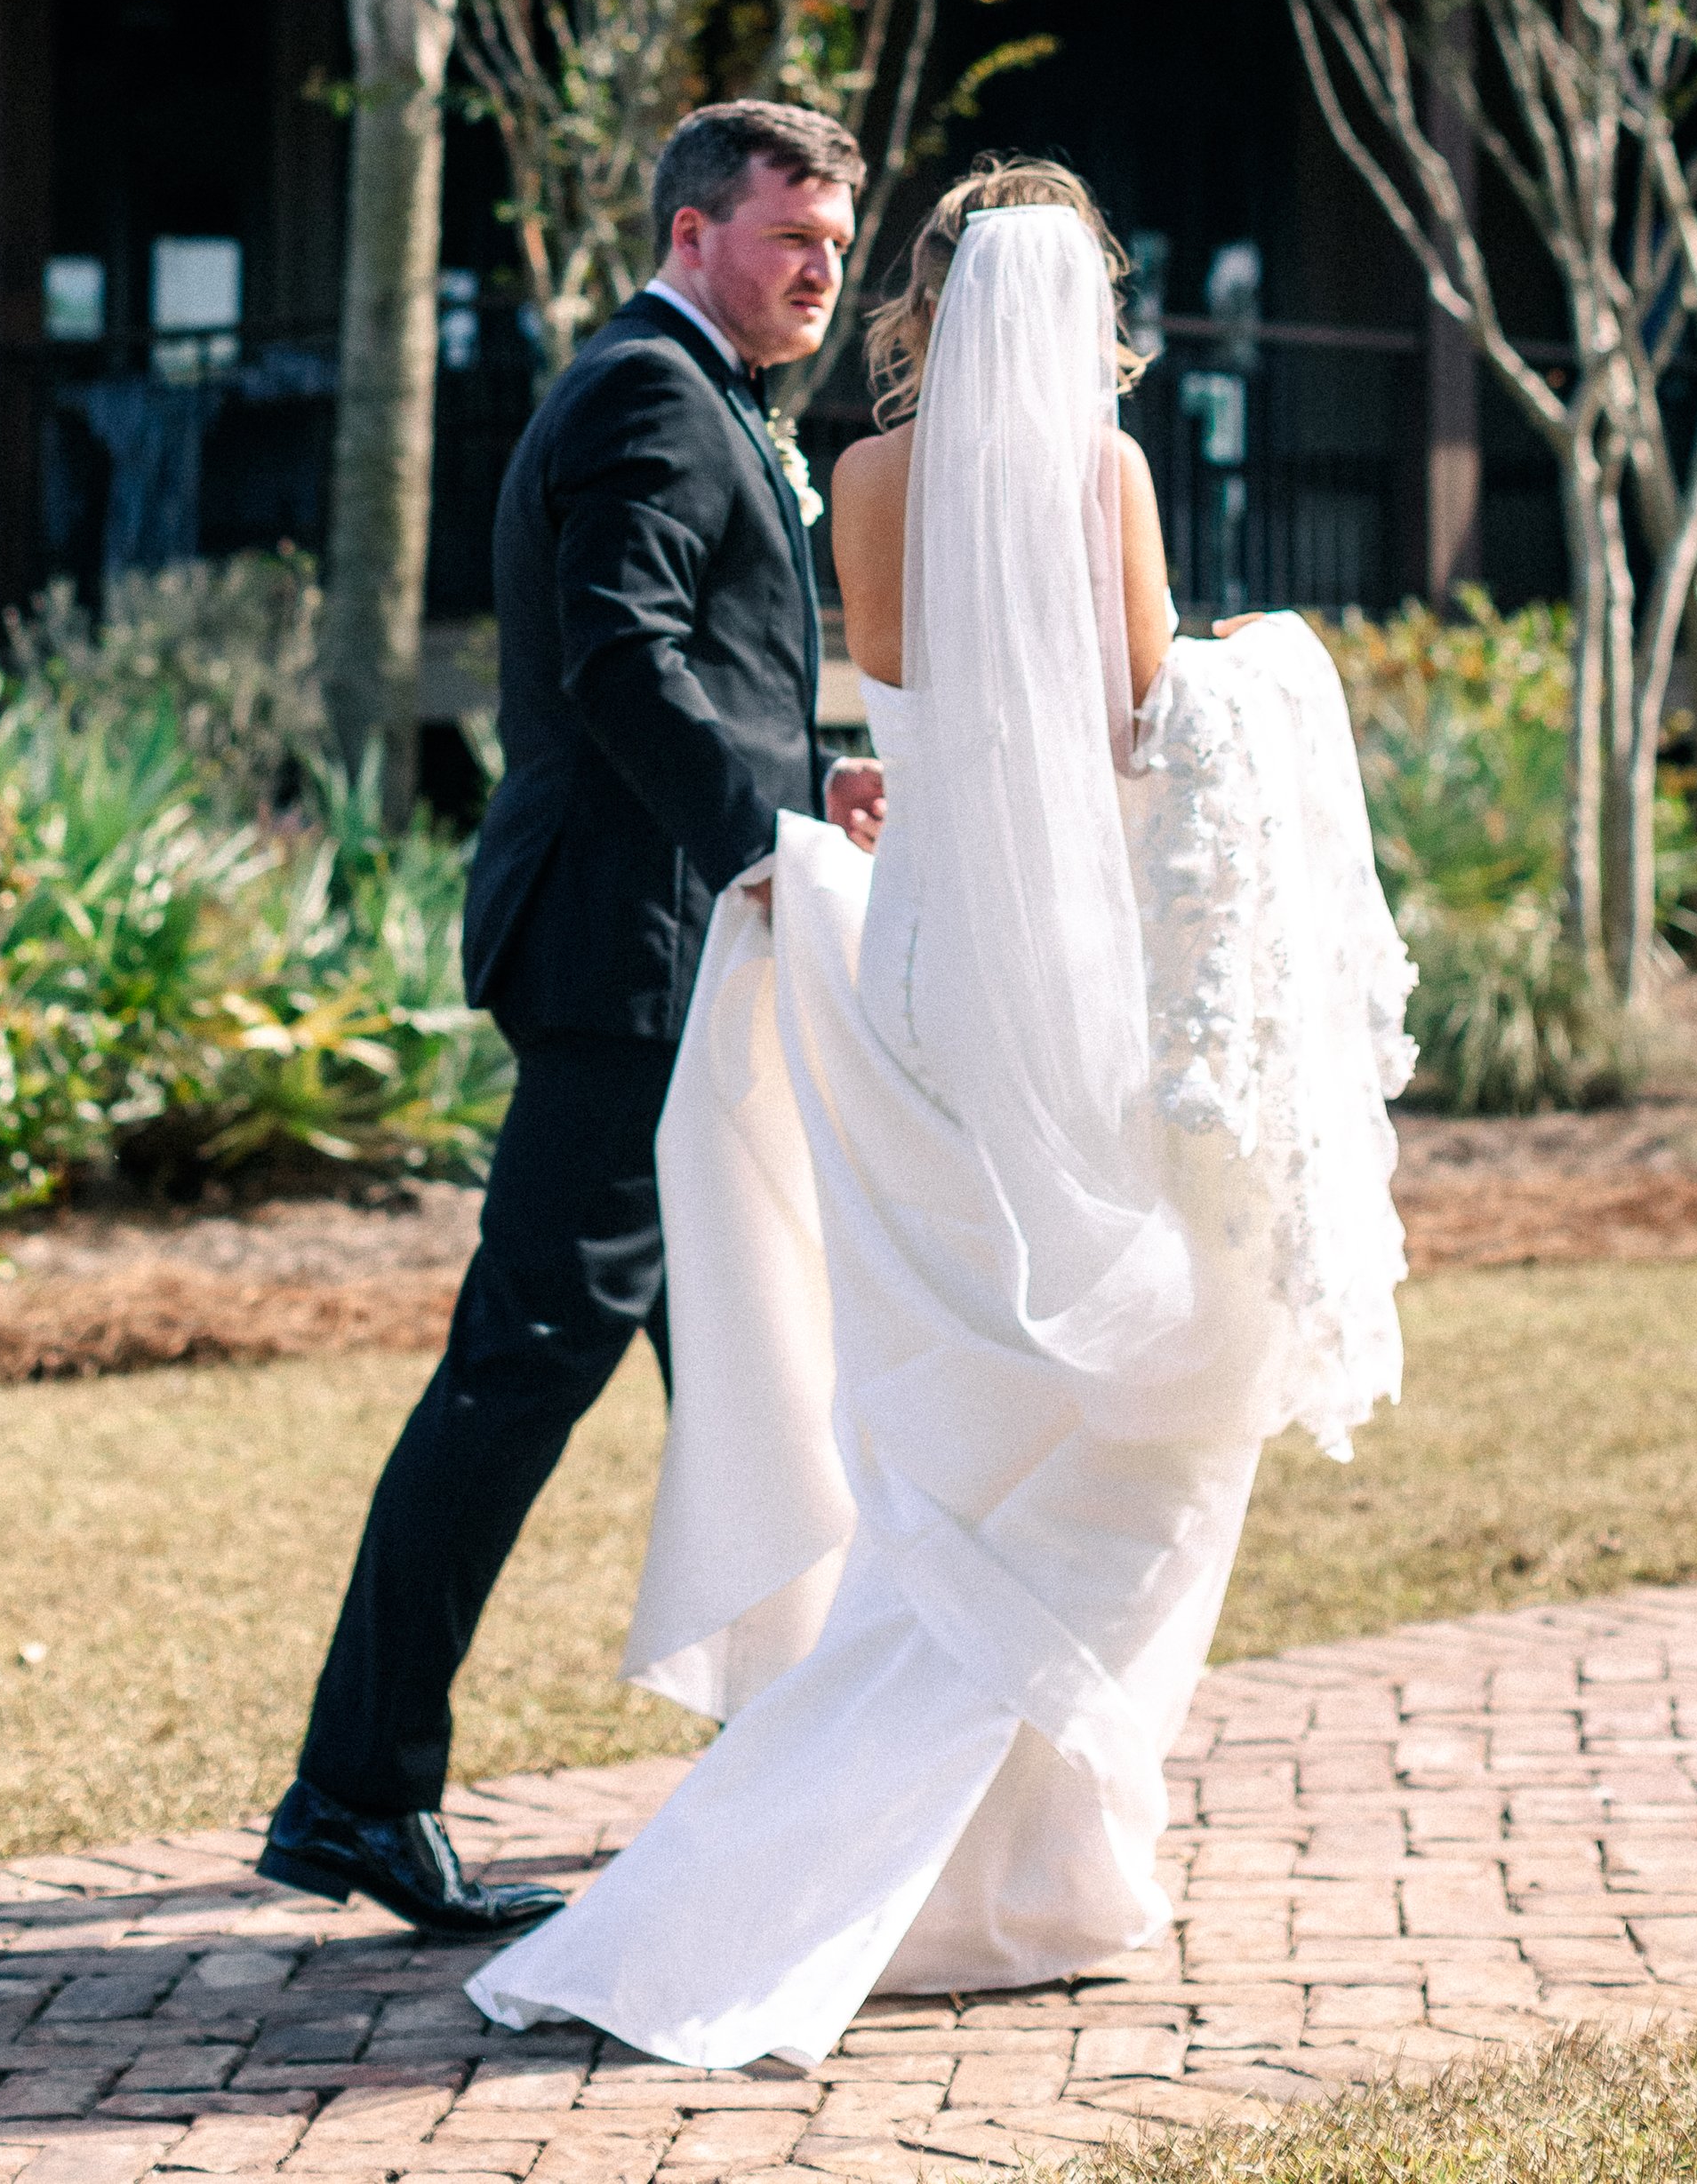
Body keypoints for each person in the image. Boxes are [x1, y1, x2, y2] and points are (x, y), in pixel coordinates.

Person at [468, 157, 1413, 2065]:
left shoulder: (869, 481)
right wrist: (1269, 675)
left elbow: (905, 693)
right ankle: (961, 1872)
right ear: (1081, 311)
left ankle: (1025, 1871)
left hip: (919, 964)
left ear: (924, 295)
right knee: (1111, 1418)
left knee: (945, 1427)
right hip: (1054, 1002)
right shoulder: (1106, 476)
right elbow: (1144, 729)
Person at [258, 100, 885, 1940]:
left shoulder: (706, 403)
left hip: (686, 946)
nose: (822, 276)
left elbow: (697, 663)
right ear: (696, 231)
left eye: (839, 246)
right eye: (798, 240)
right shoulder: (641, 393)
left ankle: (809, 1752)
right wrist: (757, 826)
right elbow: (621, 656)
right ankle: (356, 1796)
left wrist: (810, 780)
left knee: (764, 1355)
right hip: (629, 964)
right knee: (522, 1361)